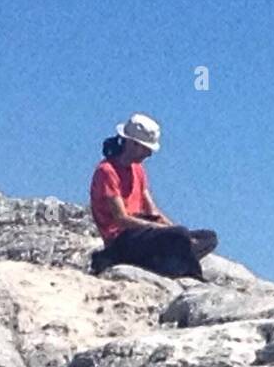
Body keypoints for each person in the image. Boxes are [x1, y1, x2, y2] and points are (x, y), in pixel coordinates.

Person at [89, 113, 218, 280]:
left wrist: (175, 229)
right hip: (121, 238)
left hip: (142, 232)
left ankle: (166, 262)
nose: (149, 154)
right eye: (146, 148)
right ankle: (187, 272)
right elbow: (121, 218)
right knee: (178, 237)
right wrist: (163, 230)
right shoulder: (107, 171)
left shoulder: (138, 170)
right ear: (133, 144)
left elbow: (152, 209)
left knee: (208, 237)